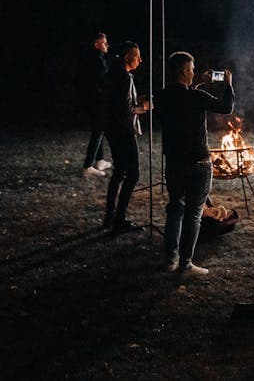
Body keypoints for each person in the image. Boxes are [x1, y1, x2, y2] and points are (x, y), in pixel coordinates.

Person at [156, 52, 235, 278]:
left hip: (173, 161)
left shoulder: (161, 96)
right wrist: (228, 85)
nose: (194, 71)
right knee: (193, 214)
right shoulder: (197, 97)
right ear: (183, 71)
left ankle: (170, 260)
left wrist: (198, 83)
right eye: (191, 69)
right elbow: (226, 107)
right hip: (198, 162)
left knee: (175, 209)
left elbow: (181, 96)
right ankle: (186, 263)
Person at [102, 41, 150, 234]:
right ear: (127, 57)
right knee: (132, 174)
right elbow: (124, 109)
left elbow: (118, 103)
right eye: (136, 55)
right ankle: (119, 219)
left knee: (119, 171)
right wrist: (144, 108)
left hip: (113, 129)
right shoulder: (123, 77)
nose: (140, 59)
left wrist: (137, 102)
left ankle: (110, 216)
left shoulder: (112, 75)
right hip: (123, 131)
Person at [76, 31, 112, 177]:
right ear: (97, 45)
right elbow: (104, 82)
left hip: (90, 100)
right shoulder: (98, 60)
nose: (107, 45)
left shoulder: (89, 58)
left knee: (99, 130)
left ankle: (99, 160)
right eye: (104, 43)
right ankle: (87, 166)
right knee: (98, 131)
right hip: (97, 101)